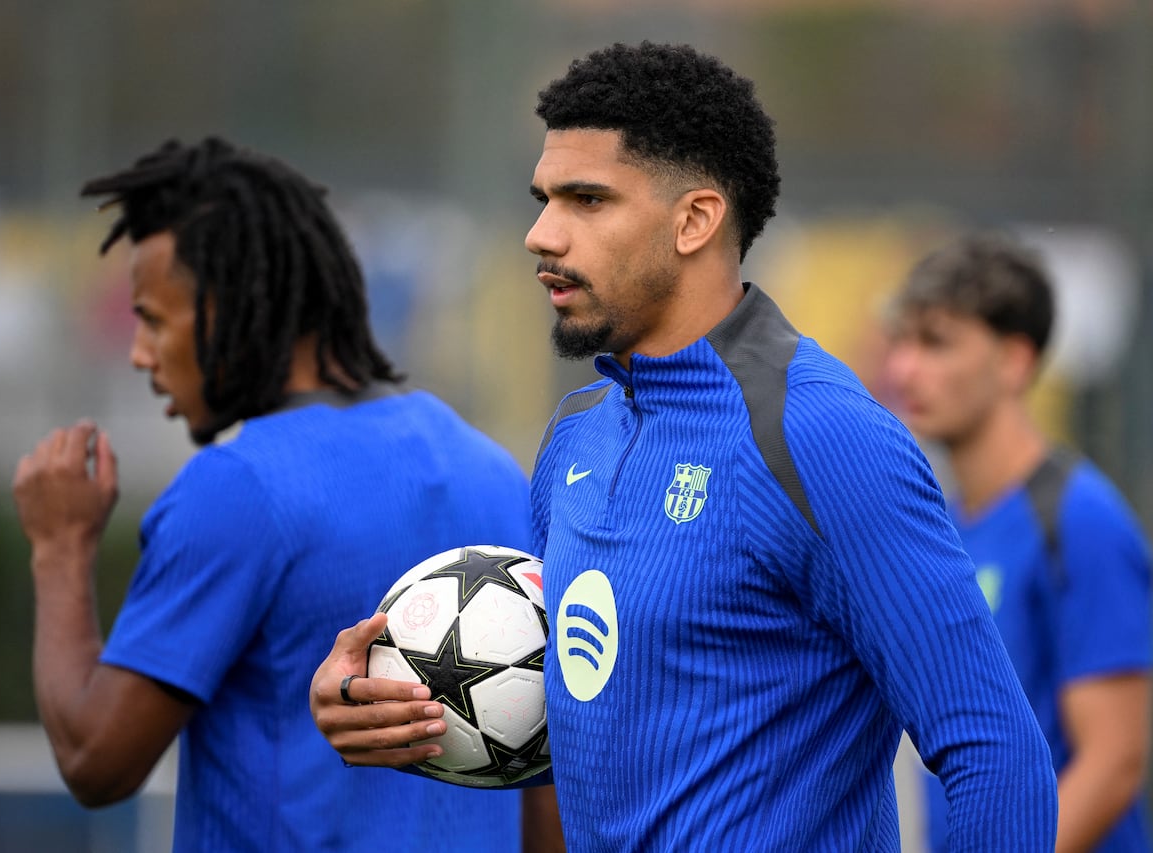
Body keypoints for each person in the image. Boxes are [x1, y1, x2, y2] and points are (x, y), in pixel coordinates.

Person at [309, 42, 1057, 851]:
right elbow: (608, 739)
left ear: (695, 219)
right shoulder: (577, 435)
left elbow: (996, 753)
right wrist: (406, 708)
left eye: (586, 200)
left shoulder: (818, 436)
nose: (540, 233)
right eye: (543, 199)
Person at [11, 136, 555, 851]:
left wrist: (59, 547)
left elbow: (96, 760)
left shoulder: (237, 487)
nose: (141, 353)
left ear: (225, 306)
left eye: (152, 318)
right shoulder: (489, 465)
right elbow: (547, 785)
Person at [884, 233, 1153, 853]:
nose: (904, 368)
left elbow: (1113, 764)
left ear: (1014, 361)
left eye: (935, 342)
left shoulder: (1082, 521)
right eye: (901, 340)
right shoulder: (940, 522)